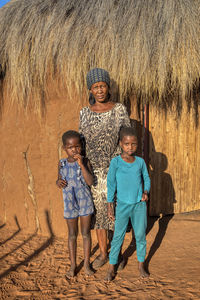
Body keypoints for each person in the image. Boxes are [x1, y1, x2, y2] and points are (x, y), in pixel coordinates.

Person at [79, 68, 131, 268]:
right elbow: (81, 143)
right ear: (90, 90)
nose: (99, 90)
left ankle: (116, 254)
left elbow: (127, 137)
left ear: (108, 87)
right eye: (95, 87)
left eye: (102, 86)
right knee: (99, 215)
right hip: (95, 174)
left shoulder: (119, 109)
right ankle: (102, 253)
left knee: (116, 214)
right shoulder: (84, 113)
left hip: (116, 169)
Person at [105, 127, 151, 281]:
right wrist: (109, 206)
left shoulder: (140, 162)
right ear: (120, 144)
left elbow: (146, 178)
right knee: (118, 236)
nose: (130, 147)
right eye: (126, 144)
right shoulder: (116, 162)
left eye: (133, 144)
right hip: (122, 205)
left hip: (139, 205)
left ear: (137, 144)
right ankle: (111, 268)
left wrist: (146, 191)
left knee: (140, 236)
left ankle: (141, 265)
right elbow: (111, 184)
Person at [56, 130, 94, 277]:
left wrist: (82, 164)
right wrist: (58, 182)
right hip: (69, 203)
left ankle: (86, 264)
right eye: (71, 147)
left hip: (85, 202)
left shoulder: (85, 161)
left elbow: (90, 182)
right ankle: (72, 265)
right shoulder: (62, 163)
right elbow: (58, 180)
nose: (75, 150)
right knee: (72, 234)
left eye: (78, 147)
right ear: (65, 148)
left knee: (85, 234)